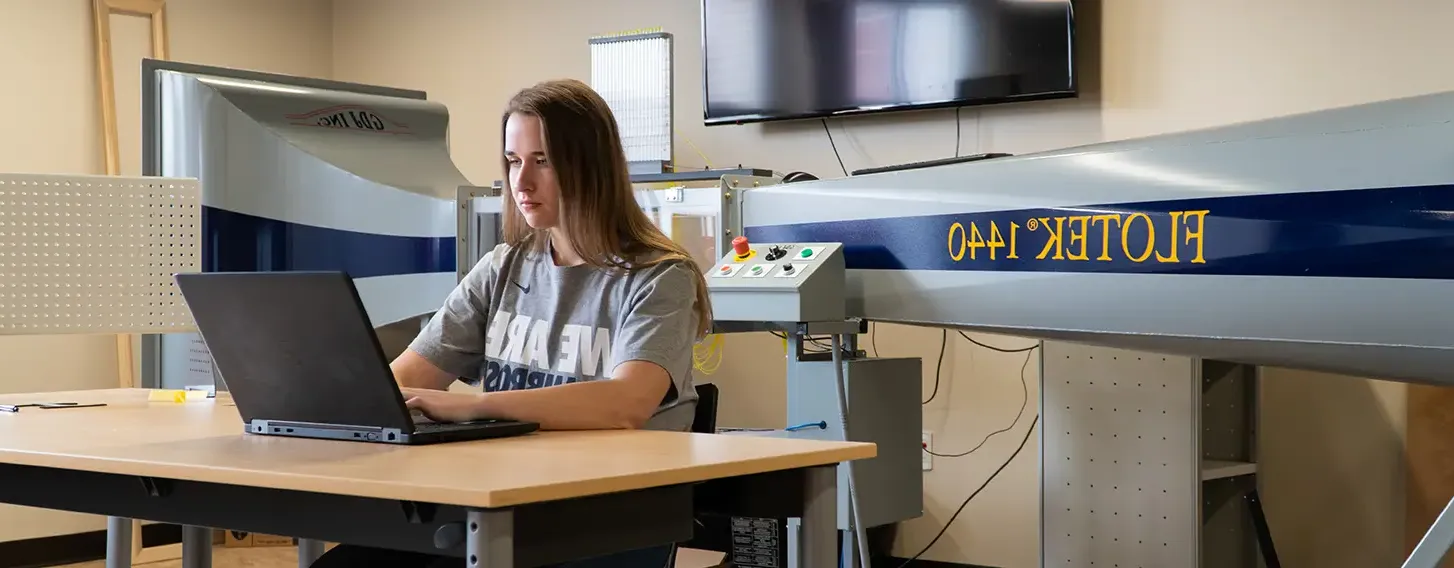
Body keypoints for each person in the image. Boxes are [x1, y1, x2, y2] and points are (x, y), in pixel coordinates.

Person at [307, 78, 713, 568]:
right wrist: (321, 400)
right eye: (513, 161)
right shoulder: (505, 266)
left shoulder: (661, 277)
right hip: (499, 508)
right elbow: (407, 380)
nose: (521, 182)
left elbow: (627, 403)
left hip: (602, 522)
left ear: (591, 165)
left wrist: (475, 407)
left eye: (543, 161)